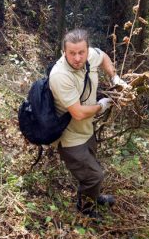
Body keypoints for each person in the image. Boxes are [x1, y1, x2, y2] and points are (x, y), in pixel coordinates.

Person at [49, 28, 128, 218]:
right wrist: (103, 105)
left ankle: (92, 195)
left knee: (91, 169)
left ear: (87, 49)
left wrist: (114, 77)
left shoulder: (90, 56)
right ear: (64, 53)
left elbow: (104, 57)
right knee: (94, 175)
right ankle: (86, 211)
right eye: (72, 53)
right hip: (70, 136)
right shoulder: (60, 75)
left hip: (86, 130)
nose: (77, 58)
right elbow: (77, 112)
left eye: (81, 52)